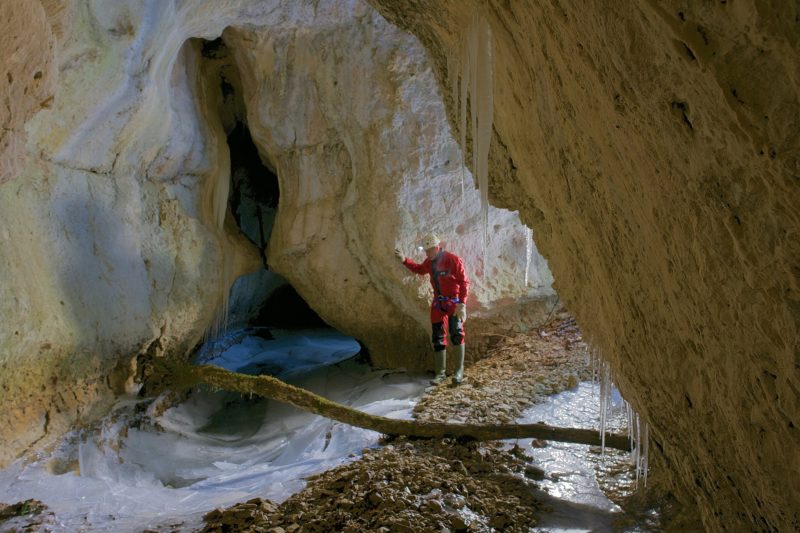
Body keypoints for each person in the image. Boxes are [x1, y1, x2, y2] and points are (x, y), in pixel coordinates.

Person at [395, 233, 469, 385]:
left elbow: (464, 282)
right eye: (426, 251)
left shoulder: (453, 260)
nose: (427, 254)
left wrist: (462, 304)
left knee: (456, 333)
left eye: (429, 251)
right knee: (438, 337)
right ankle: (440, 373)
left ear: (436, 247)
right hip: (438, 303)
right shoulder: (430, 262)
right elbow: (420, 269)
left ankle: (458, 371)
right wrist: (405, 261)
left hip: (453, 303)